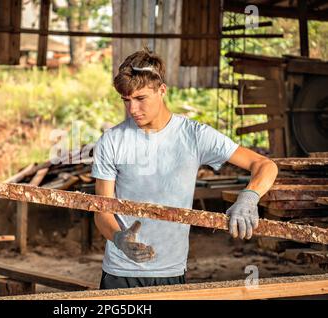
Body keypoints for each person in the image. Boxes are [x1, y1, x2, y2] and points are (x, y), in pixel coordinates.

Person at [91, 48, 278, 290]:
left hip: (171, 271)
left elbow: (264, 165)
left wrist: (249, 196)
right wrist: (119, 239)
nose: (132, 109)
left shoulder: (194, 135)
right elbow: (101, 211)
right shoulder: (112, 140)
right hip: (119, 271)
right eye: (126, 100)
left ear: (162, 90)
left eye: (140, 99)